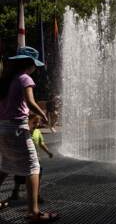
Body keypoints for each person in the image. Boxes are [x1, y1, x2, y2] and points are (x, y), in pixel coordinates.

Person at [0, 46, 59, 222]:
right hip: (17, 128)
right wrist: (43, 116)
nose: (36, 68)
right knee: (33, 167)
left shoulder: (6, 80)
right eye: (35, 64)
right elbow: (30, 102)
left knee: (5, 166)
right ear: (30, 63)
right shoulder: (25, 78)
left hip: (3, 128)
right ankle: (34, 213)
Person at [9, 114, 54, 203]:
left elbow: (41, 143)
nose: (36, 124)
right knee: (19, 175)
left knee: (37, 176)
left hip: (35, 158)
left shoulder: (37, 132)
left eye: (38, 122)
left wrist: (48, 152)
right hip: (23, 157)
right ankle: (15, 191)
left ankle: (36, 195)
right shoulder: (23, 131)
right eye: (34, 122)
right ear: (28, 121)